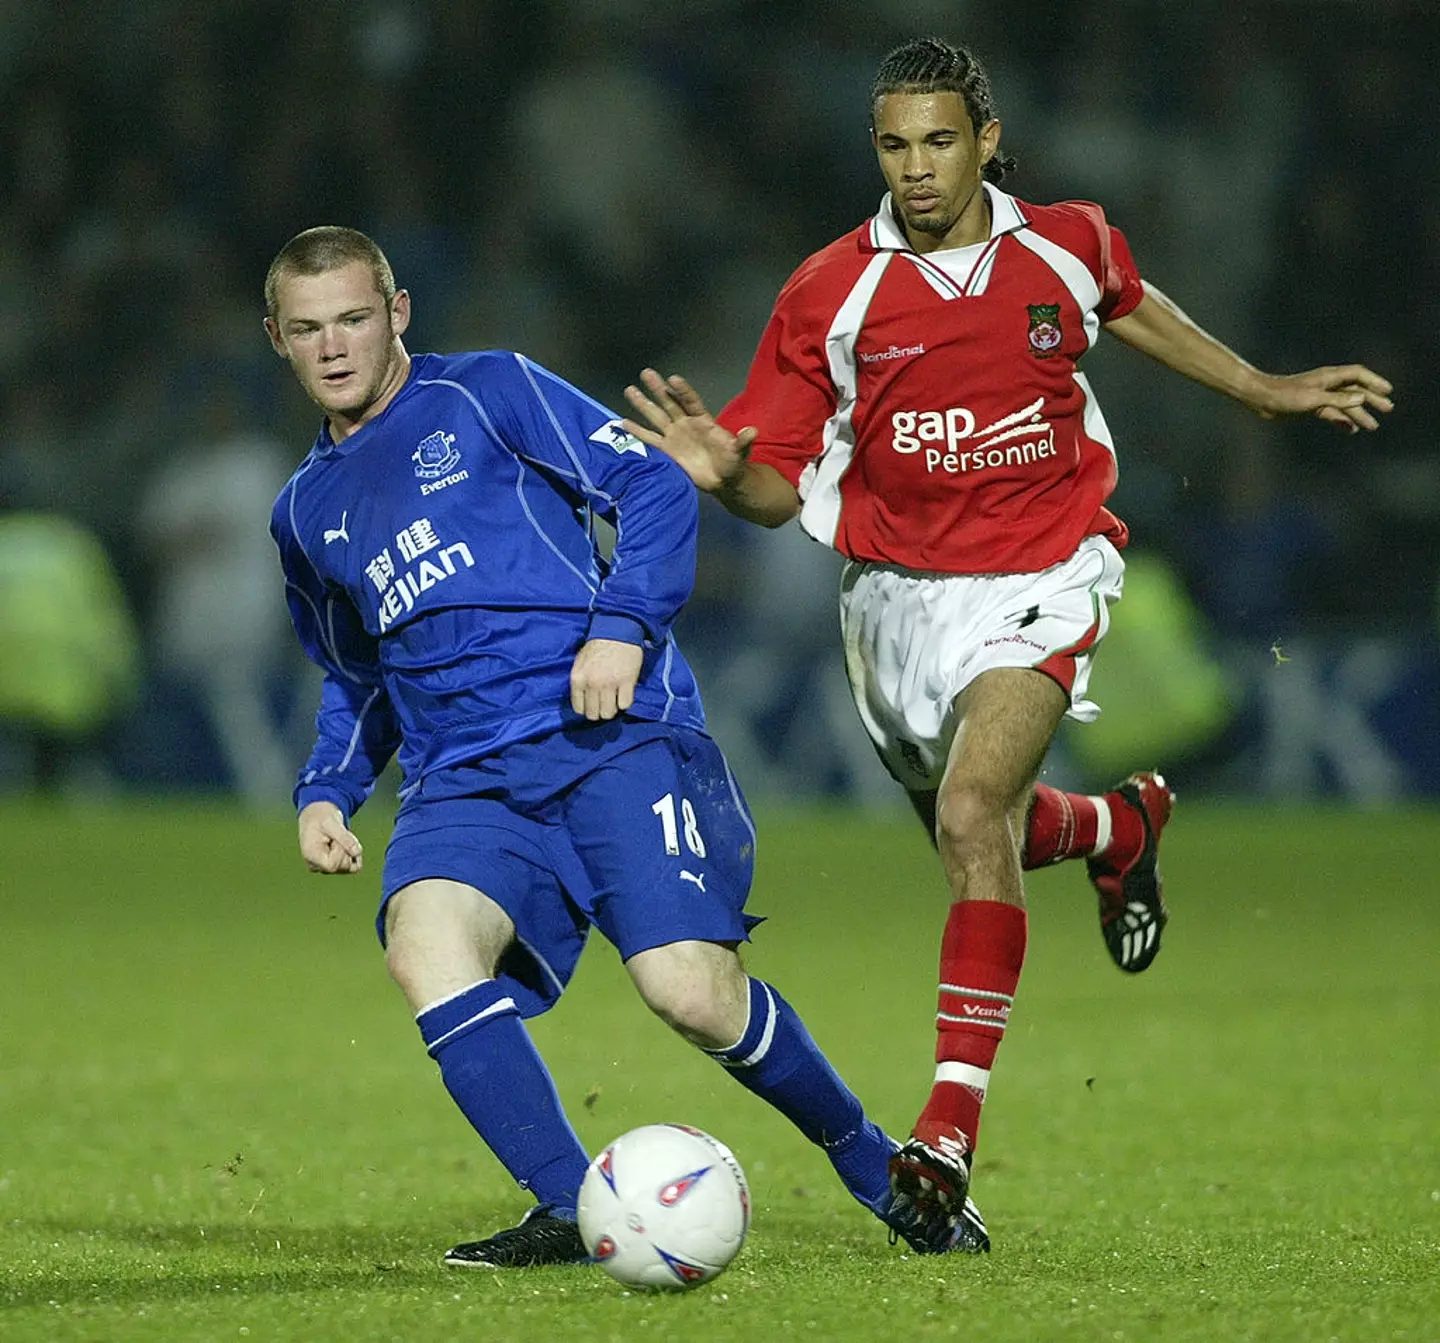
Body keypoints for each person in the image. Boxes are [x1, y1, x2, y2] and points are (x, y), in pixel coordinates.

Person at [622, 36, 1393, 1250]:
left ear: (987, 139)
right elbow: (775, 489)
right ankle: (1116, 827)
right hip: (893, 602)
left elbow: (1130, 304)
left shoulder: (1068, 242)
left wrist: (1262, 388)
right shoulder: (829, 291)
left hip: (1045, 570)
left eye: (940, 140)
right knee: (980, 829)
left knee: (974, 810)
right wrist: (725, 474)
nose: (918, 167)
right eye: (894, 145)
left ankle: (944, 1129)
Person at [262, 225, 986, 1269]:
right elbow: (356, 671)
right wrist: (326, 789)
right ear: (277, 338)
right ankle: (569, 1202)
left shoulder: (490, 391)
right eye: (307, 329)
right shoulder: (303, 511)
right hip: (465, 780)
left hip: (609, 736)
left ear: (398, 311)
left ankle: (873, 1163)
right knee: (423, 943)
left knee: (689, 991)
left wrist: (621, 627)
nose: (334, 346)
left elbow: (650, 483)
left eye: (353, 318)